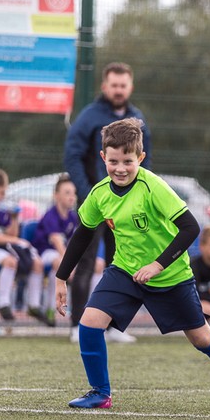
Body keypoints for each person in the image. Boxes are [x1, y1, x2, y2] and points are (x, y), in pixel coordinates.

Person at [54, 118, 210, 410]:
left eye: (128, 161)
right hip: (125, 271)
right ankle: (100, 393)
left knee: (201, 337)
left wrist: (157, 265)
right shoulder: (99, 193)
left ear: (140, 157)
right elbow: (83, 234)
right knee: (89, 323)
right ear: (103, 158)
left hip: (170, 275)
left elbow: (190, 228)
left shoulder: (154, 187)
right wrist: (61, 277)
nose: (120, 168)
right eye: (113, 161)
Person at [64, 61, 150, 344]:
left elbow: (143, 160)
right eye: (113, 85)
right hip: (96, 202)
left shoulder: (137, 118)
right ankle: (78, 325)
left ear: (130, 87)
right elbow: (72, 156)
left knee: (122, 263)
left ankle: (113, 326)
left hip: (127, 207)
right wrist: (89, 192)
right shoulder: (89, 116)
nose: (118, 90)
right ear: (105, 86)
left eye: (123, 85)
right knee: (86, 261)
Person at [0, 168, 49, 324]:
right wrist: (16, 241)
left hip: (4, 250)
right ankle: (3, 304)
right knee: (10, 261)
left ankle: (33, 305)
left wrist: (14, 218)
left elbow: (12, 234)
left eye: (2, 193)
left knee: (37, 263)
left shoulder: (3, 211)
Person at [30, 173, 79, 326]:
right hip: (43, 254)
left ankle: (85, 310)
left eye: (74, 193)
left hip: (58, 258)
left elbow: (73, 243)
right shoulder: (51, 215)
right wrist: (71, 267)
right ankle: (47, 306)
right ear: (56, 196)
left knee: (94, 265)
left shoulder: (73, 217)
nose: (72, 197)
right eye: (67, 193)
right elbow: (58, 243)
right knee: (59, 263)